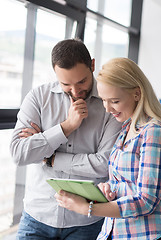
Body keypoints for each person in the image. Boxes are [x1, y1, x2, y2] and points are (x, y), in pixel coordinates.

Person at [54, 57, 161, 239]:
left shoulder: (154, 132)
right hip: (118, 232)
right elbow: (127, 183)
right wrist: (110, 188)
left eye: (114, 101)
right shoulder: (126, 129)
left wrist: (87, 208)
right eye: (104, 101)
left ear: (137, 94)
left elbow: (146, 201)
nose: (107, 109)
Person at [10, 39, 122, 239]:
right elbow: (19, 153)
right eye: (66, 84)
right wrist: (66, 127)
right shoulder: (38, 98)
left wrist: (50, 157)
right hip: (37, 217)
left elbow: (105, 165)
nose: (76, 91)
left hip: (86, 222)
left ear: (92, 65)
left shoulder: (111, 104)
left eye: (82, 82)